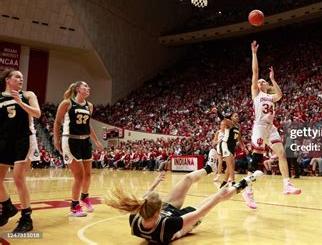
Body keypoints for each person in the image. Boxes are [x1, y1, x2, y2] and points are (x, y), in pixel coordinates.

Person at [105, 149, 263, 244]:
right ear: (158, 212)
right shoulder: (168, 225)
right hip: (183, 225)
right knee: (216, 197)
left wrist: (154, 183)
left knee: (186, 179)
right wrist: (218, 195)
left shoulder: (135, 218)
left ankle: (210, 167)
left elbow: (144, 200)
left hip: (164, 215)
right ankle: (245, 182)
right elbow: (200, 212)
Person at [242, 41, 301, 210]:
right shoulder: (256, 93)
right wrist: (254, 54)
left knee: (282, 152)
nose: (261, 82)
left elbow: (280, 94)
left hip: (270, 126)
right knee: (256, 160)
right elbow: (255, 71)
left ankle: (286, 184)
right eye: (259, 82)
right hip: (259, 126)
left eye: (263, 82)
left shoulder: (270, 96)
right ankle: (248, 190)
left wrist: (273, 79)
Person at [53, 81, 103, 217]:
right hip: (70, 140)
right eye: (85, 86)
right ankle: (74, 207)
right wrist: (56, 140)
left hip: (85, 141)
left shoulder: (89, 106)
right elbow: (57, 122)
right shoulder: (67, 103)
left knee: (88, 174)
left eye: (88, 86)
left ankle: (85, 197)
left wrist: (96, 140)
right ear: (77, 89)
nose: (88, 88)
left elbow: (88, 124)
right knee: (79, 176)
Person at [0, 69, 41, 233]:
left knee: (18, 178)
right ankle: (7, 206)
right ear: (8, 80)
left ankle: (26, 218)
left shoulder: (28, 95)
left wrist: (20, 102)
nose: (21, 79)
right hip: (4, 140)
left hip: (24, 138)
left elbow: (37, 114)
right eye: (17, 76)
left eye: (22, 77)